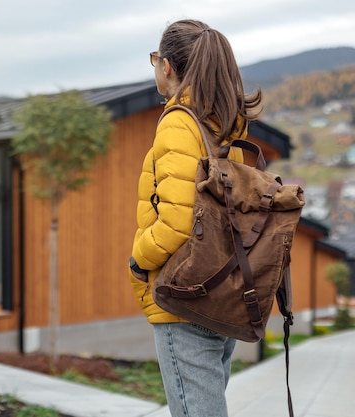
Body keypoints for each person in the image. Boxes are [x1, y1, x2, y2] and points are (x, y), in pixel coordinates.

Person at [128, 19, 262, 417]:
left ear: (167, 66)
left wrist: (138, 261)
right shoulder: (223, 126)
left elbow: (176, 223)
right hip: (220, 294)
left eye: (155, 60)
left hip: (183, 298)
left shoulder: (177, 123)